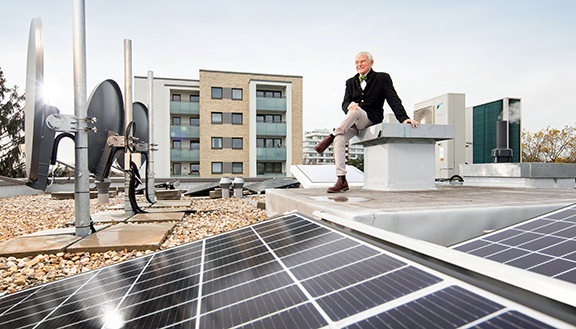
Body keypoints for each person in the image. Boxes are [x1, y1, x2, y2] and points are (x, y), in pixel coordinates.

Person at [314, 51, 419, 193]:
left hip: (371, 119)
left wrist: (403, 118)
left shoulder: (382, 78)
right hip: (354, 122)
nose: (359, 65)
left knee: (355, 112)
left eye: (362, 61)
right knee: (339, 139)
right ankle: (342, 179)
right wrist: (348, 106)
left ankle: (329, 137)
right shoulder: (350, 82)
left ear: (371, 63)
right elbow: (344, 103)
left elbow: (393, 99)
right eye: (357, 63)